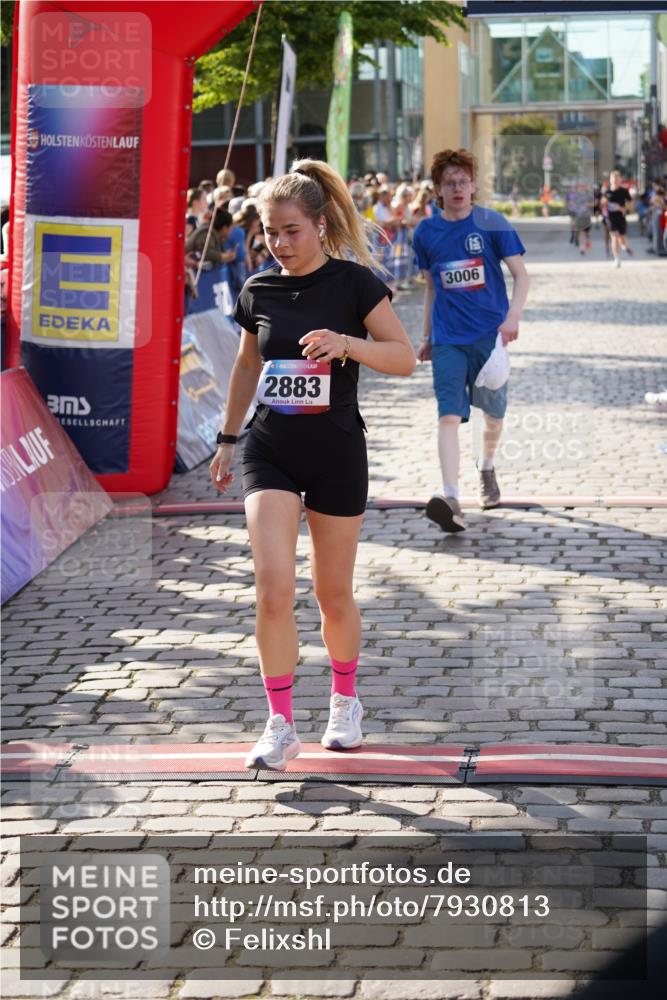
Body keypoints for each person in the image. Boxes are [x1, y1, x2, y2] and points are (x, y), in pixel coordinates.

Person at [209, 159, 415, 770]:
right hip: (269, 448)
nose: (278, 243)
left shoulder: (354, 285)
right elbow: (248, 366)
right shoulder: (259, 288)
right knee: (272, 589)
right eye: (270, 232)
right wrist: (226, 438)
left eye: (291, 230)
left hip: (335, 450)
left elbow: (403, 357)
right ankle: (279, 723)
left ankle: (345, 701)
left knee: (332, 593)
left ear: (320, 225)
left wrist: (346, 343)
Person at [414, 147, 529, 532]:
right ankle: (450, 495)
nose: (458, 188)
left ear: (473, 185)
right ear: (438, 189)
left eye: (464, 181)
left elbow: (522, 275)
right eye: (450, 183)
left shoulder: (491, 222)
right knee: (448, 414)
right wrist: (427, 335)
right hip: (448, 339)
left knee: (493, 414)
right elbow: (431, 287)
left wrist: (513, 317)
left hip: (490, 337)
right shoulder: (426, 232)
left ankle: (487, 466)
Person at [603, 170, 633, 267]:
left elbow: (631, 204)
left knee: (622, 237)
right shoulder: (607, 192)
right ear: (610, 180)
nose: (615, 180)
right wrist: (603, 208)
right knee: (614, 237)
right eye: (613, 179)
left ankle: (625, 246)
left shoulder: (623, 191)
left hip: (621, 217)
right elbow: (602, 204)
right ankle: (617, 259)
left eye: (617, 178)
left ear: (620, 179)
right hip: (611, 218)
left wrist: (624, 208)